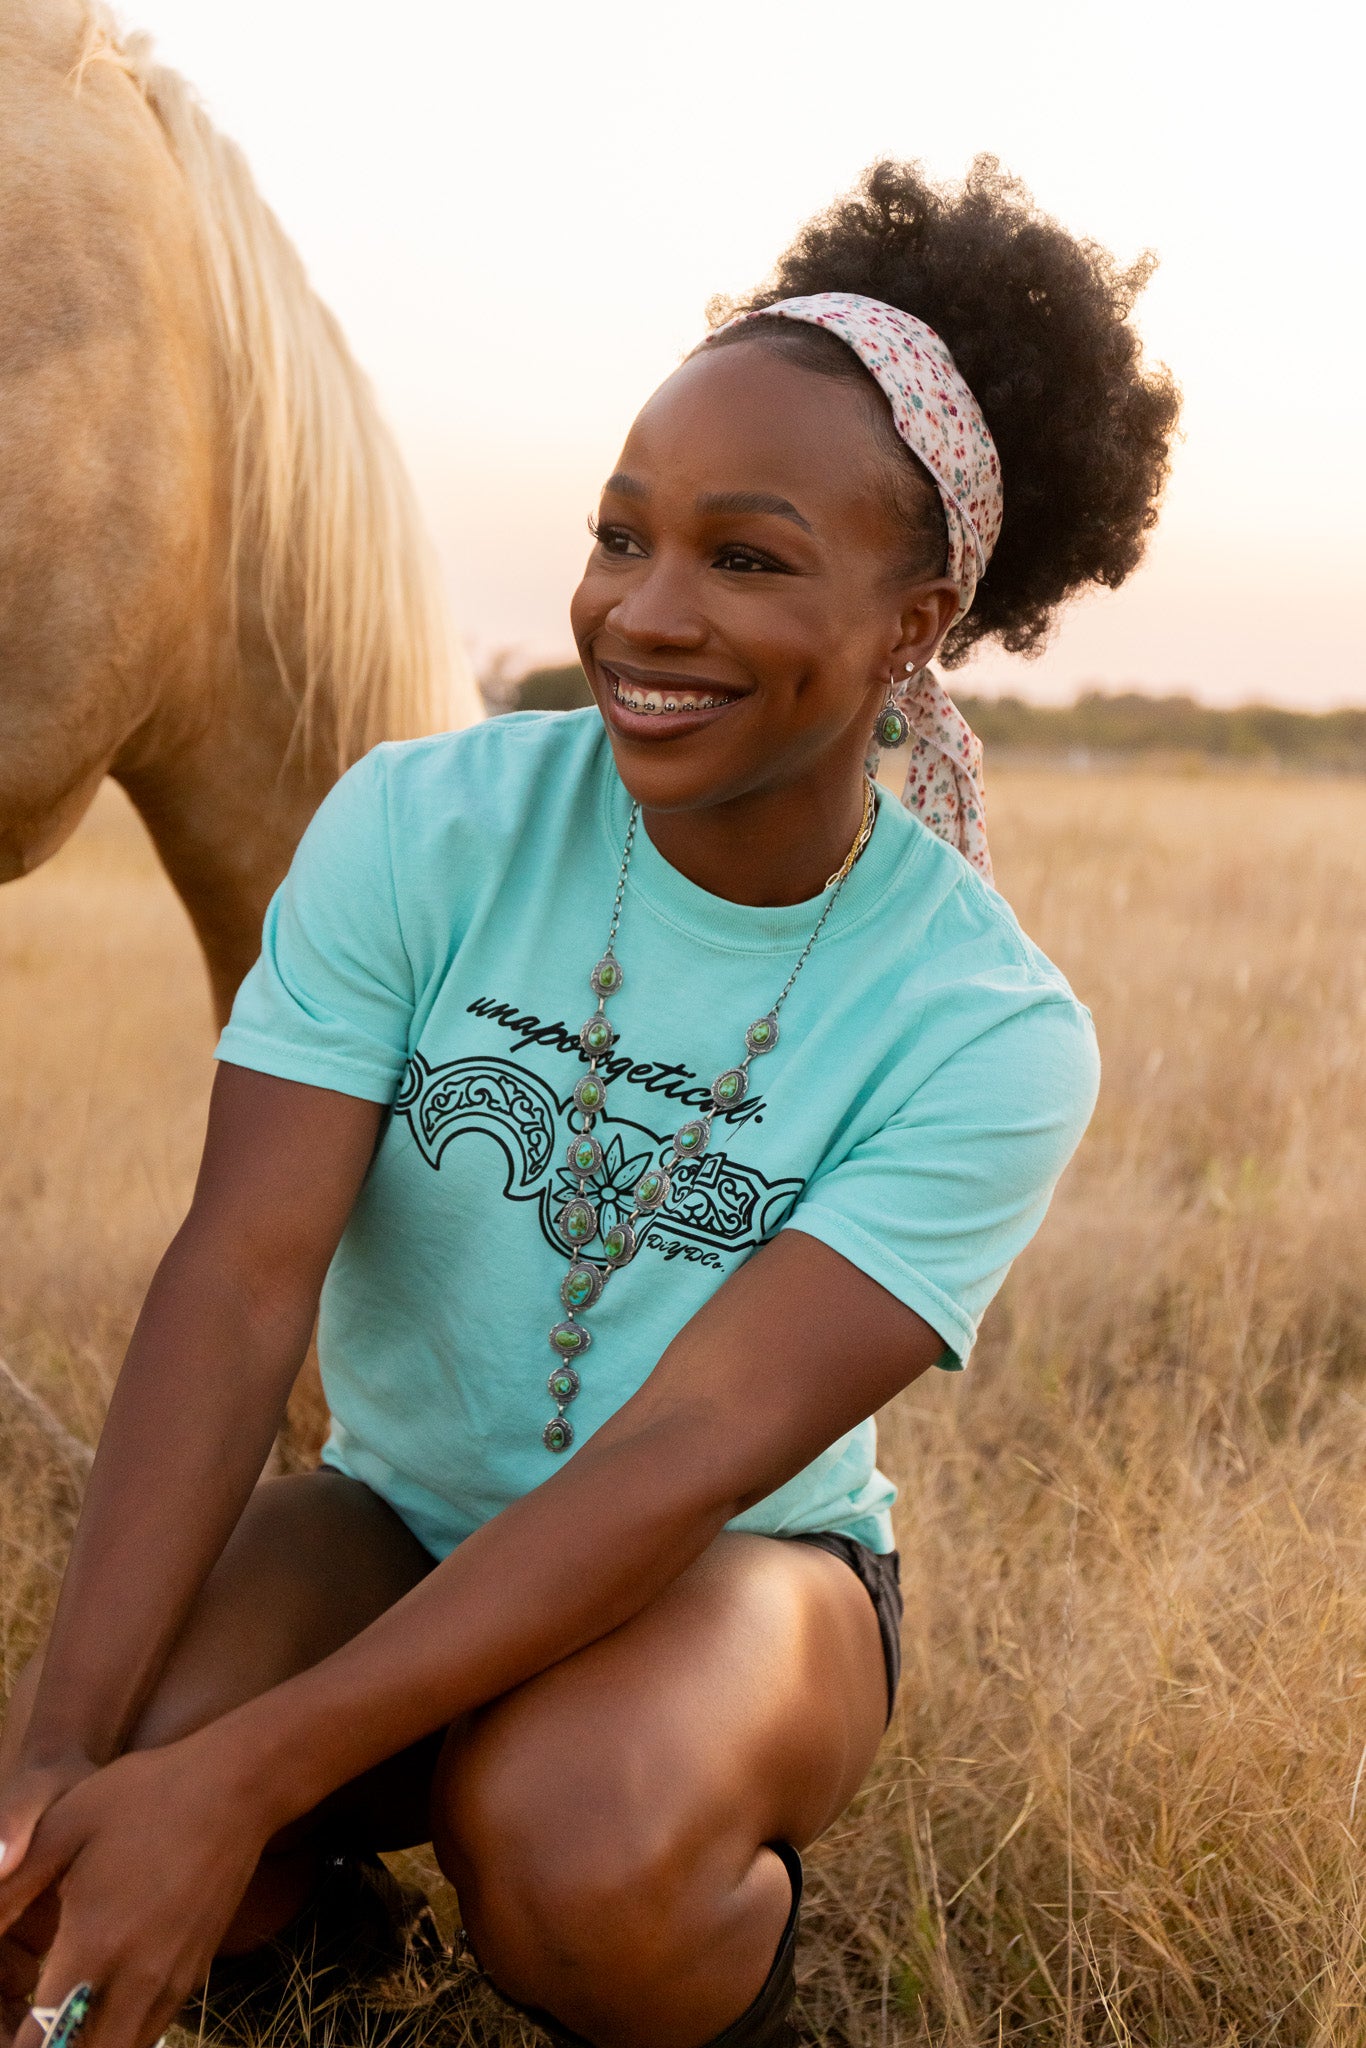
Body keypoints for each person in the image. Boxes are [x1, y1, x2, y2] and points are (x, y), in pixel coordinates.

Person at [0, 158, 1177, 2048]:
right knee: (99, 1793)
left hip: (741, 1571)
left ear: (912, 618)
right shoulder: (418, 821)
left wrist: (236, 1782)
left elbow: (678, 1457)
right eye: (621, 536)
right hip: (393, 1513)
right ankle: (309, 1932)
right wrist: (58, 1760)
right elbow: (239, 1274)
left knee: (568, 1836)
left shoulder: (986, 1027)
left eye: (749, 556)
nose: (644, 613)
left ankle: (679, 1970)